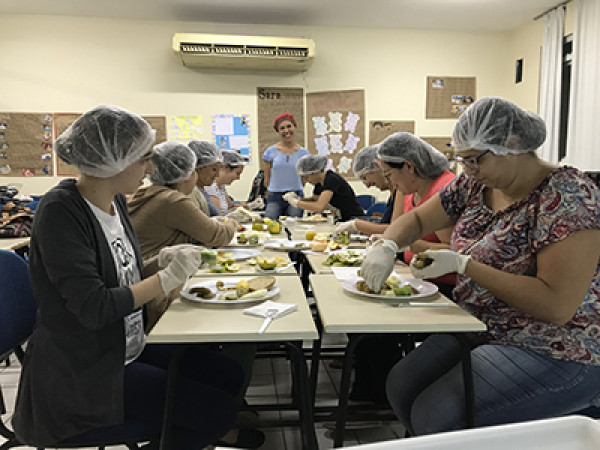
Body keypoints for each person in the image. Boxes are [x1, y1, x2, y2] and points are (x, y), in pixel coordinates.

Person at [360, 97, 600, 436]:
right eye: (462, 160)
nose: (467, 169)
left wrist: (465, 265)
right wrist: (388, 244)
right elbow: (415, 219)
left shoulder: (567, 197)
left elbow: (556, 305)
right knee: (400, 385)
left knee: (435, 416)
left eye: (474, 160)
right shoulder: (477, 184)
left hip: (557, 346)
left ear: (513, 145)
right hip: (481, 325)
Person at [12, 105, 244, 448]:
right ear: (112, 161)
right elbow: (95, 307)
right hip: (86, 369)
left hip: (126, 345)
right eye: (143, 158)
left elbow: (125, 276)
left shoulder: (116, 201)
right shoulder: (62, 211)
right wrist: (166, 279)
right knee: (213, 411)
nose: (150, 169)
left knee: (230, 374)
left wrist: (160, 262)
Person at [128, 141, 263, 449]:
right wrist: (231, 221)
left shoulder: (150, 195)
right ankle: (220, 418)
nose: (145, 171)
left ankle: (222, 412)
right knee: (240, 326)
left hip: (153, 288)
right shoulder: (172, 200)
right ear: (188, 172)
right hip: (157, 297)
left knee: (226, 357)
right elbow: (215, 235)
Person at [341, 137, 455, 404]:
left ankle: (379, 396)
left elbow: (452, 250)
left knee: (372, 330)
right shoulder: (408, 190)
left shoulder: (442, 190)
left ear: (410, 167)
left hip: (443, 288)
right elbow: (397, 228)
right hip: (413, 276)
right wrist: (387, 245)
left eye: (390, 175)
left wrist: (401, 243)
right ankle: (369, 391)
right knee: (359, 319)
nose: (389, 182)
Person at [334, 145, 404, 237]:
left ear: (377, 166)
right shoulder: (392, 194)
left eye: (365, 178)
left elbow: (395, 230)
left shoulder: (401, 191)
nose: (367, 185)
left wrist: (357, 225)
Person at [284, 154, 364, 222]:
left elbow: (319, 207)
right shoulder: (319, 183)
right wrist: (298, 199)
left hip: (354, 219)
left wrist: (296, 202)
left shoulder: (331, 179)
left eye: (306, 177)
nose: (306, 181)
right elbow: (315, 199)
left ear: (315, 172)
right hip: (341, 219)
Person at [263, 113, 310, 219]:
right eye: (282, 128)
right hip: (274, 196)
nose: (286, 131)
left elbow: (305, 178)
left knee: (293, 227)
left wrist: (297, 188)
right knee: (270, 225)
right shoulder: (270, 152)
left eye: (289, 126)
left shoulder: (304, 153)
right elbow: (267, 178)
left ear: (294, 126)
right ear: (278, 131)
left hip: (295, 195)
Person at [205, 150, 263, 215]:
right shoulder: (210, 187)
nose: (238, 178)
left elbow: (231, 206)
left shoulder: (221, 186)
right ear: (226, 167)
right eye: (237, 173)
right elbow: (219, 217)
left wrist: (251, 206)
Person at [188, 140, 223, 217]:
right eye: (214, 169)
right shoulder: (190, 193)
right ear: (198, 167)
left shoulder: (202, 190)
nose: (217, 175)